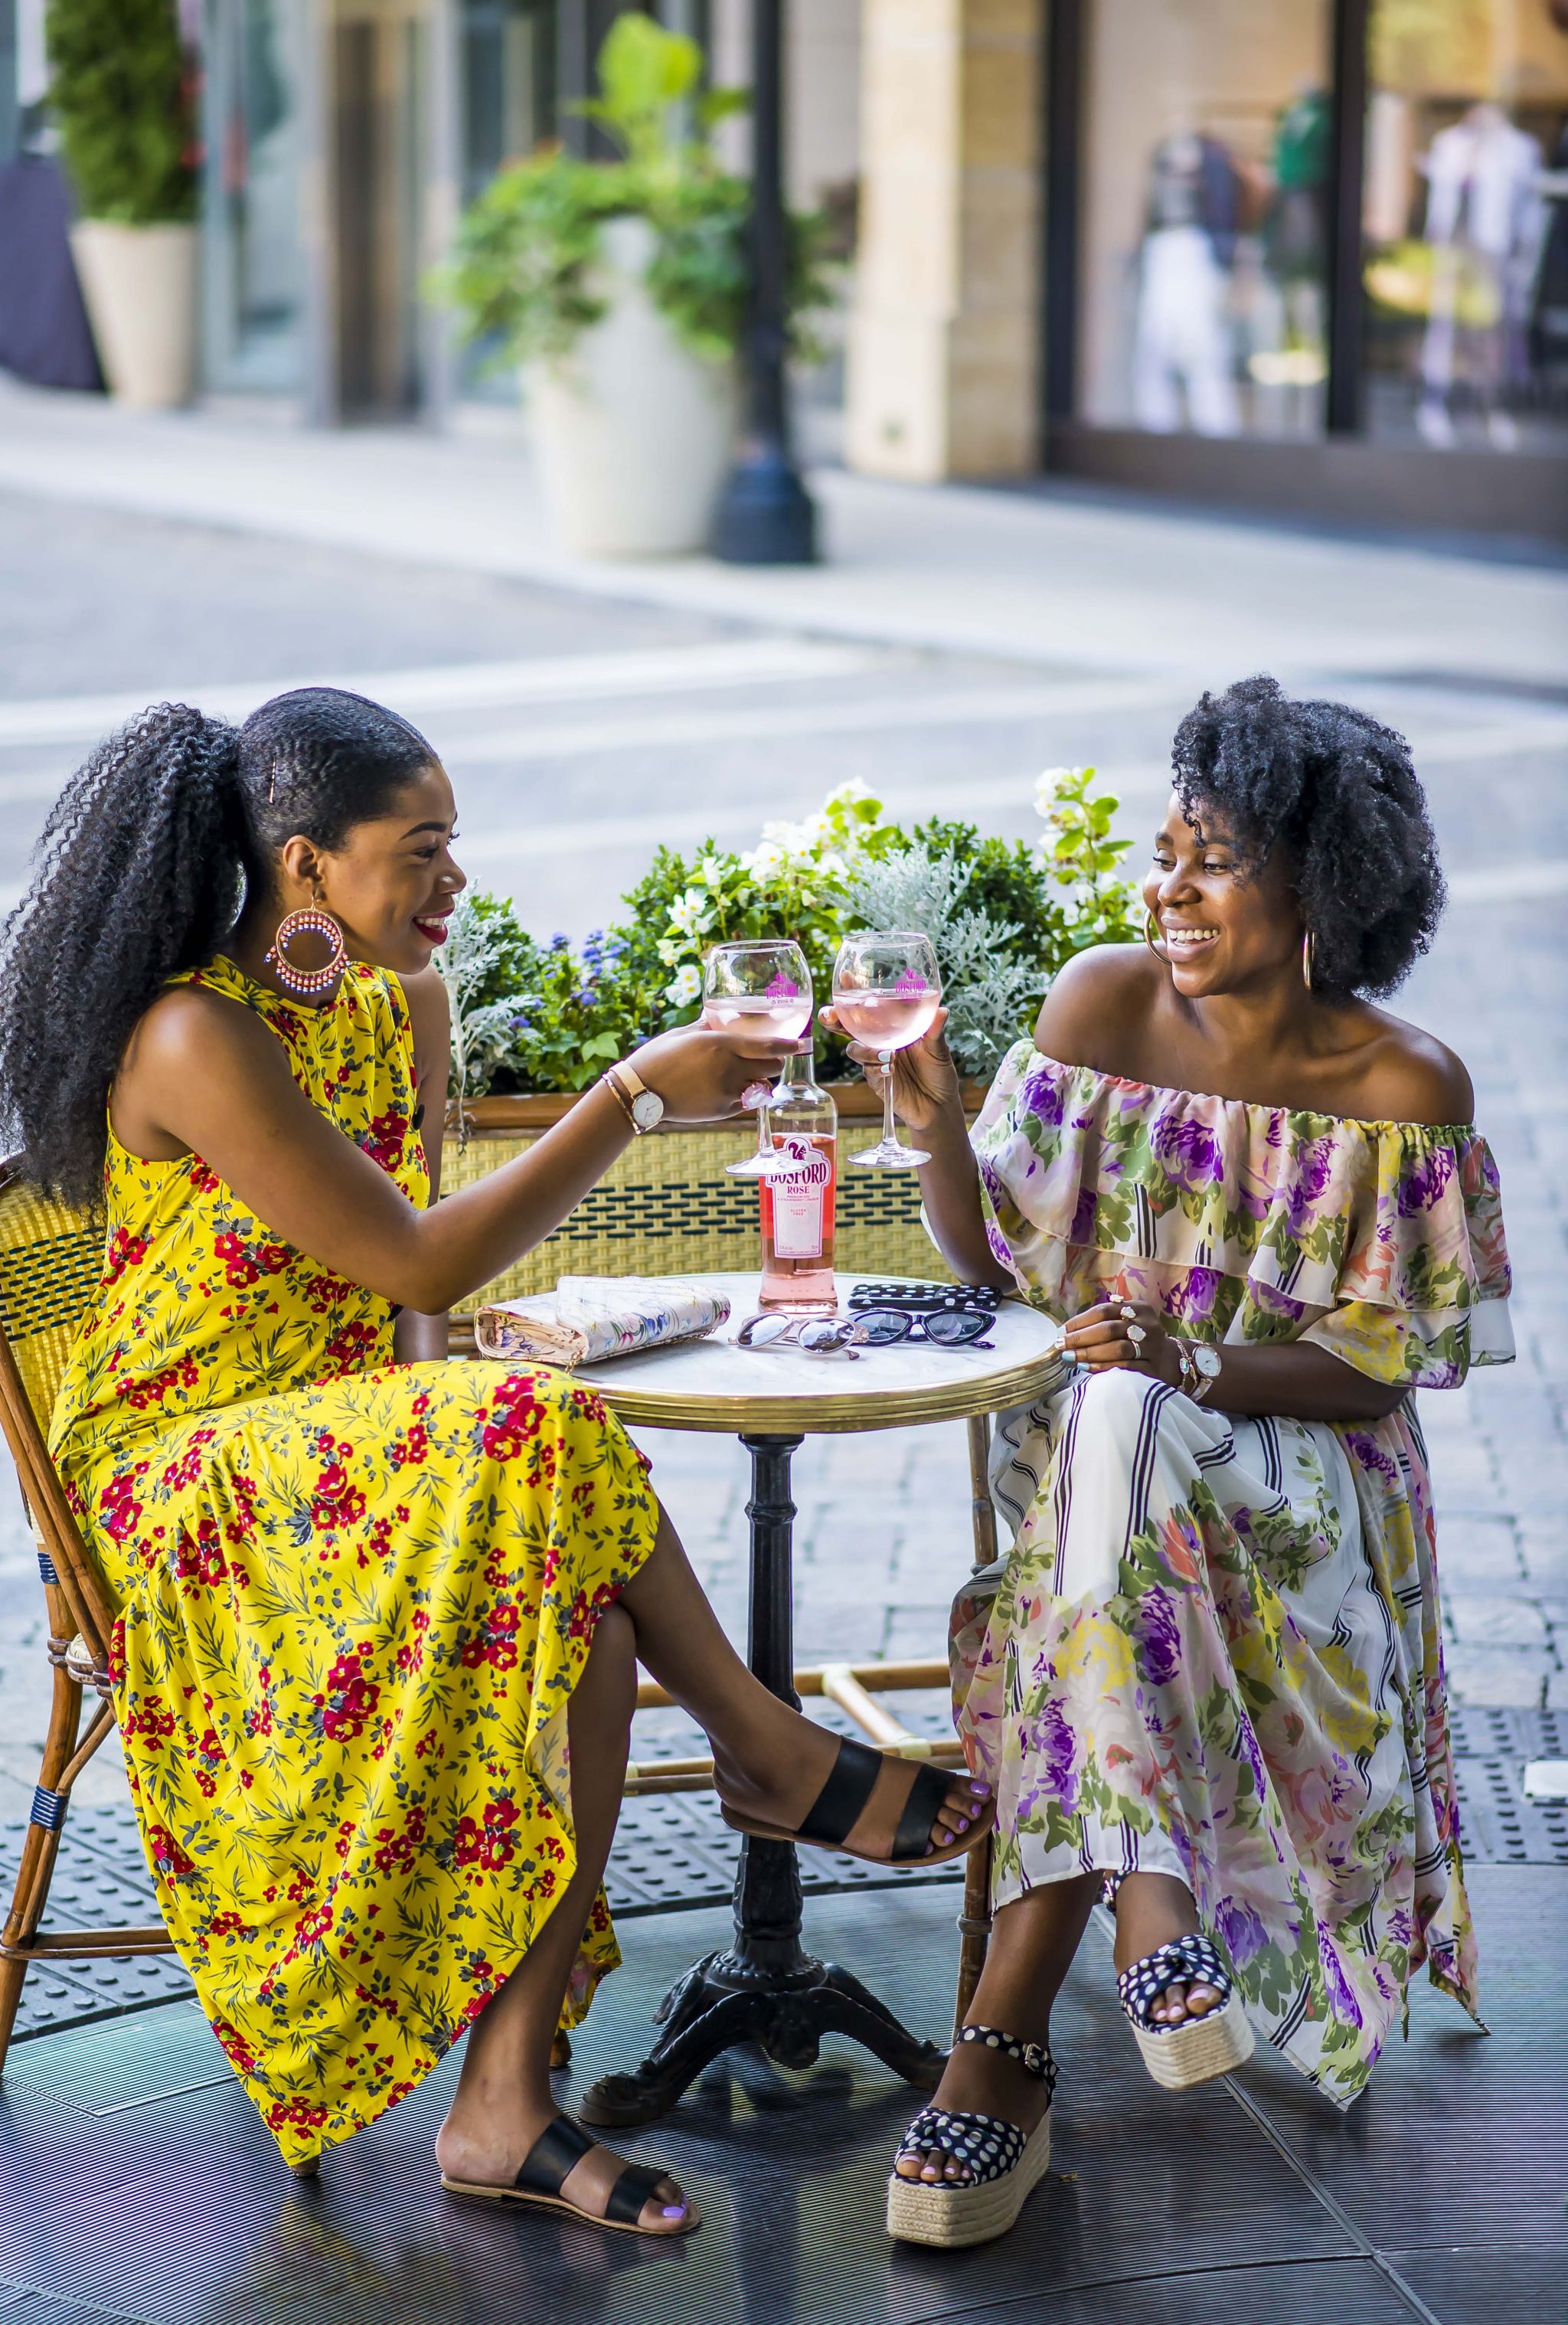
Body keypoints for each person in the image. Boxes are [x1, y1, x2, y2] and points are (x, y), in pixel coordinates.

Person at [0, 688, 994, 2235]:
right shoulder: (198, 1031)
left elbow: (417, 1325)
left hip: (347, 1465)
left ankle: (503, 2102)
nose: (452, 879)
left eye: (455, 844)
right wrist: (630, 1095)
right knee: (537, 1423)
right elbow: (409, 1257)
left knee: (575, 1590)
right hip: (187, 1488)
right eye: (425, 848)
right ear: (306, 863)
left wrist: (452, 1427)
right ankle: (762, 1743)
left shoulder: (403, 1005)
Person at [829, 677, 1511, 2251]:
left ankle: (1002, 2037)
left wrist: (1183, 1357)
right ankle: (1146, 1904)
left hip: (1302, 1499)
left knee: (1128, 1413)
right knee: (1118, 1421)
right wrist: (935, 1130)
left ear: (1321, 887)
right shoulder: (1099, 1007)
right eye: (1164, 852)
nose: (1167, 888)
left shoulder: (1407, 1089)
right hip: (1101, 1477)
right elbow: (999, 1259)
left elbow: (1373, 1369)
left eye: (1213, 859)